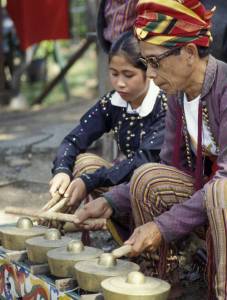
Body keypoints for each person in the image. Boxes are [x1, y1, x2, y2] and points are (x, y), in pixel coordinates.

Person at [74, 1, 227, 298]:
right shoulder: (178, 94)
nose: (152, 75)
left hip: (220, 194)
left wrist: (160, 227)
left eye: (155, 62)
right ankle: (163, 284)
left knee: (219, 191)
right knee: (149, 178)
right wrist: (111, 201)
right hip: (207, 192)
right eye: (147, 64)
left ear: (189, 53)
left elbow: (223, 181)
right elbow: (169, 167)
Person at [49, 31, 167, 237]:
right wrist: (61, 170)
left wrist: (88, 181)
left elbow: (143, 160)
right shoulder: (113, 102)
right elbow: (74, 139)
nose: (119, 83)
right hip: (126, 182)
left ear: (148, 71)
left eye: (128, 75)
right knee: (83, 161)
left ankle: (153, 253)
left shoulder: (166, 105)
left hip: (156, 188)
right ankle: (57, 226)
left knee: (142, 177)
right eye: (114, 73)